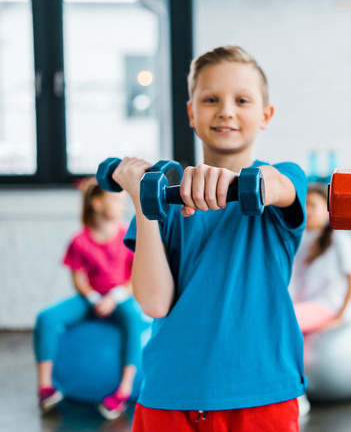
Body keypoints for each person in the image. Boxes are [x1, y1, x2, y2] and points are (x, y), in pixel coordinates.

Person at [112, 45, 307, 432]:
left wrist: (237, 181)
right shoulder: (164, 196)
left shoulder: (282, 178)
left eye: (242, 100)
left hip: (260, 393)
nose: (226, 111)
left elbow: (278, 186)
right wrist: (141, 199)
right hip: (169, 392)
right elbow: (154, 301)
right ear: (191, 112)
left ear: (266, 115)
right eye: (211, 99)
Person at [34, 177, 141, 420]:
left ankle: (123, 391)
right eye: (116, 200)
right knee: (46, 318)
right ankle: (45, 388)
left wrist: (113, 299)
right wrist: (94, 299)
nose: (123, 206)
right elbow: (79, 280)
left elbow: (135, 277)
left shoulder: (127, 235)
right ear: (96, 203)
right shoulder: (79, 240)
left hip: (119, 298)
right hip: (90, 299)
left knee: (134, 320)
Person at [290, 183, 351, 335]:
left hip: (326, 305)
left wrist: (340, 316)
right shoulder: (301, 239)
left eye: (313, 205)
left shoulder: (339, 239)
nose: (307, 210)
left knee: (284, 319)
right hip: (304, 304)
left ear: (327, 209)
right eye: (305, 205)